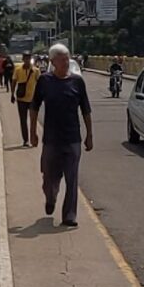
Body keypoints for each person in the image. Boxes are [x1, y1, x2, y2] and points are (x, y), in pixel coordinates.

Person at [30, 44, 93, 227]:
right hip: (51, 139)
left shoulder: (77, 82)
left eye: (67, 59)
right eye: (62, 59)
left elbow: (86, 110)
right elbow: (34, 108)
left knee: (72, 178)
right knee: (50, 177)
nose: (66, 62)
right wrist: (33, 131)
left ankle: (69, 216)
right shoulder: (44, 81)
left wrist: (89, 134)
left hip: (73, 138)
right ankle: (51, 197)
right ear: (52, 62)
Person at [11, 52, 40, 148]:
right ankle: (26, 140)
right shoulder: (18, 70)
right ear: (23, 59)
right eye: (25, 58)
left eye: (28, 58)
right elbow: (14, 81)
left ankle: (33, 138)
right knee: (23, 120)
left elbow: (40, 83)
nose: (27, 60)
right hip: (21, 99)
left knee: (33, 121)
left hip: (33, 99)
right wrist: (12, 94)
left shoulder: (35, 70)